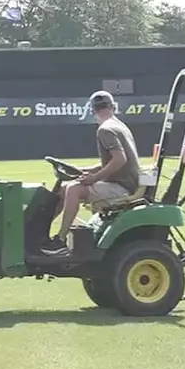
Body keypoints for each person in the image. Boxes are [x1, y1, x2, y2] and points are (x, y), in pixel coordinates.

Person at [41, 90, 141, 256]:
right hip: (124, 182)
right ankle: (40, 233)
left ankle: (60, 239)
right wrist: (83, 171)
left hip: (121, 186)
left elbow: (119, 159)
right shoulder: (119, 126)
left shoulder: (105, 130)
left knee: (74, 189)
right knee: (64, 188)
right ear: (112, 107)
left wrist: (94, 178)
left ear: (93, 110)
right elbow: (111, 161)